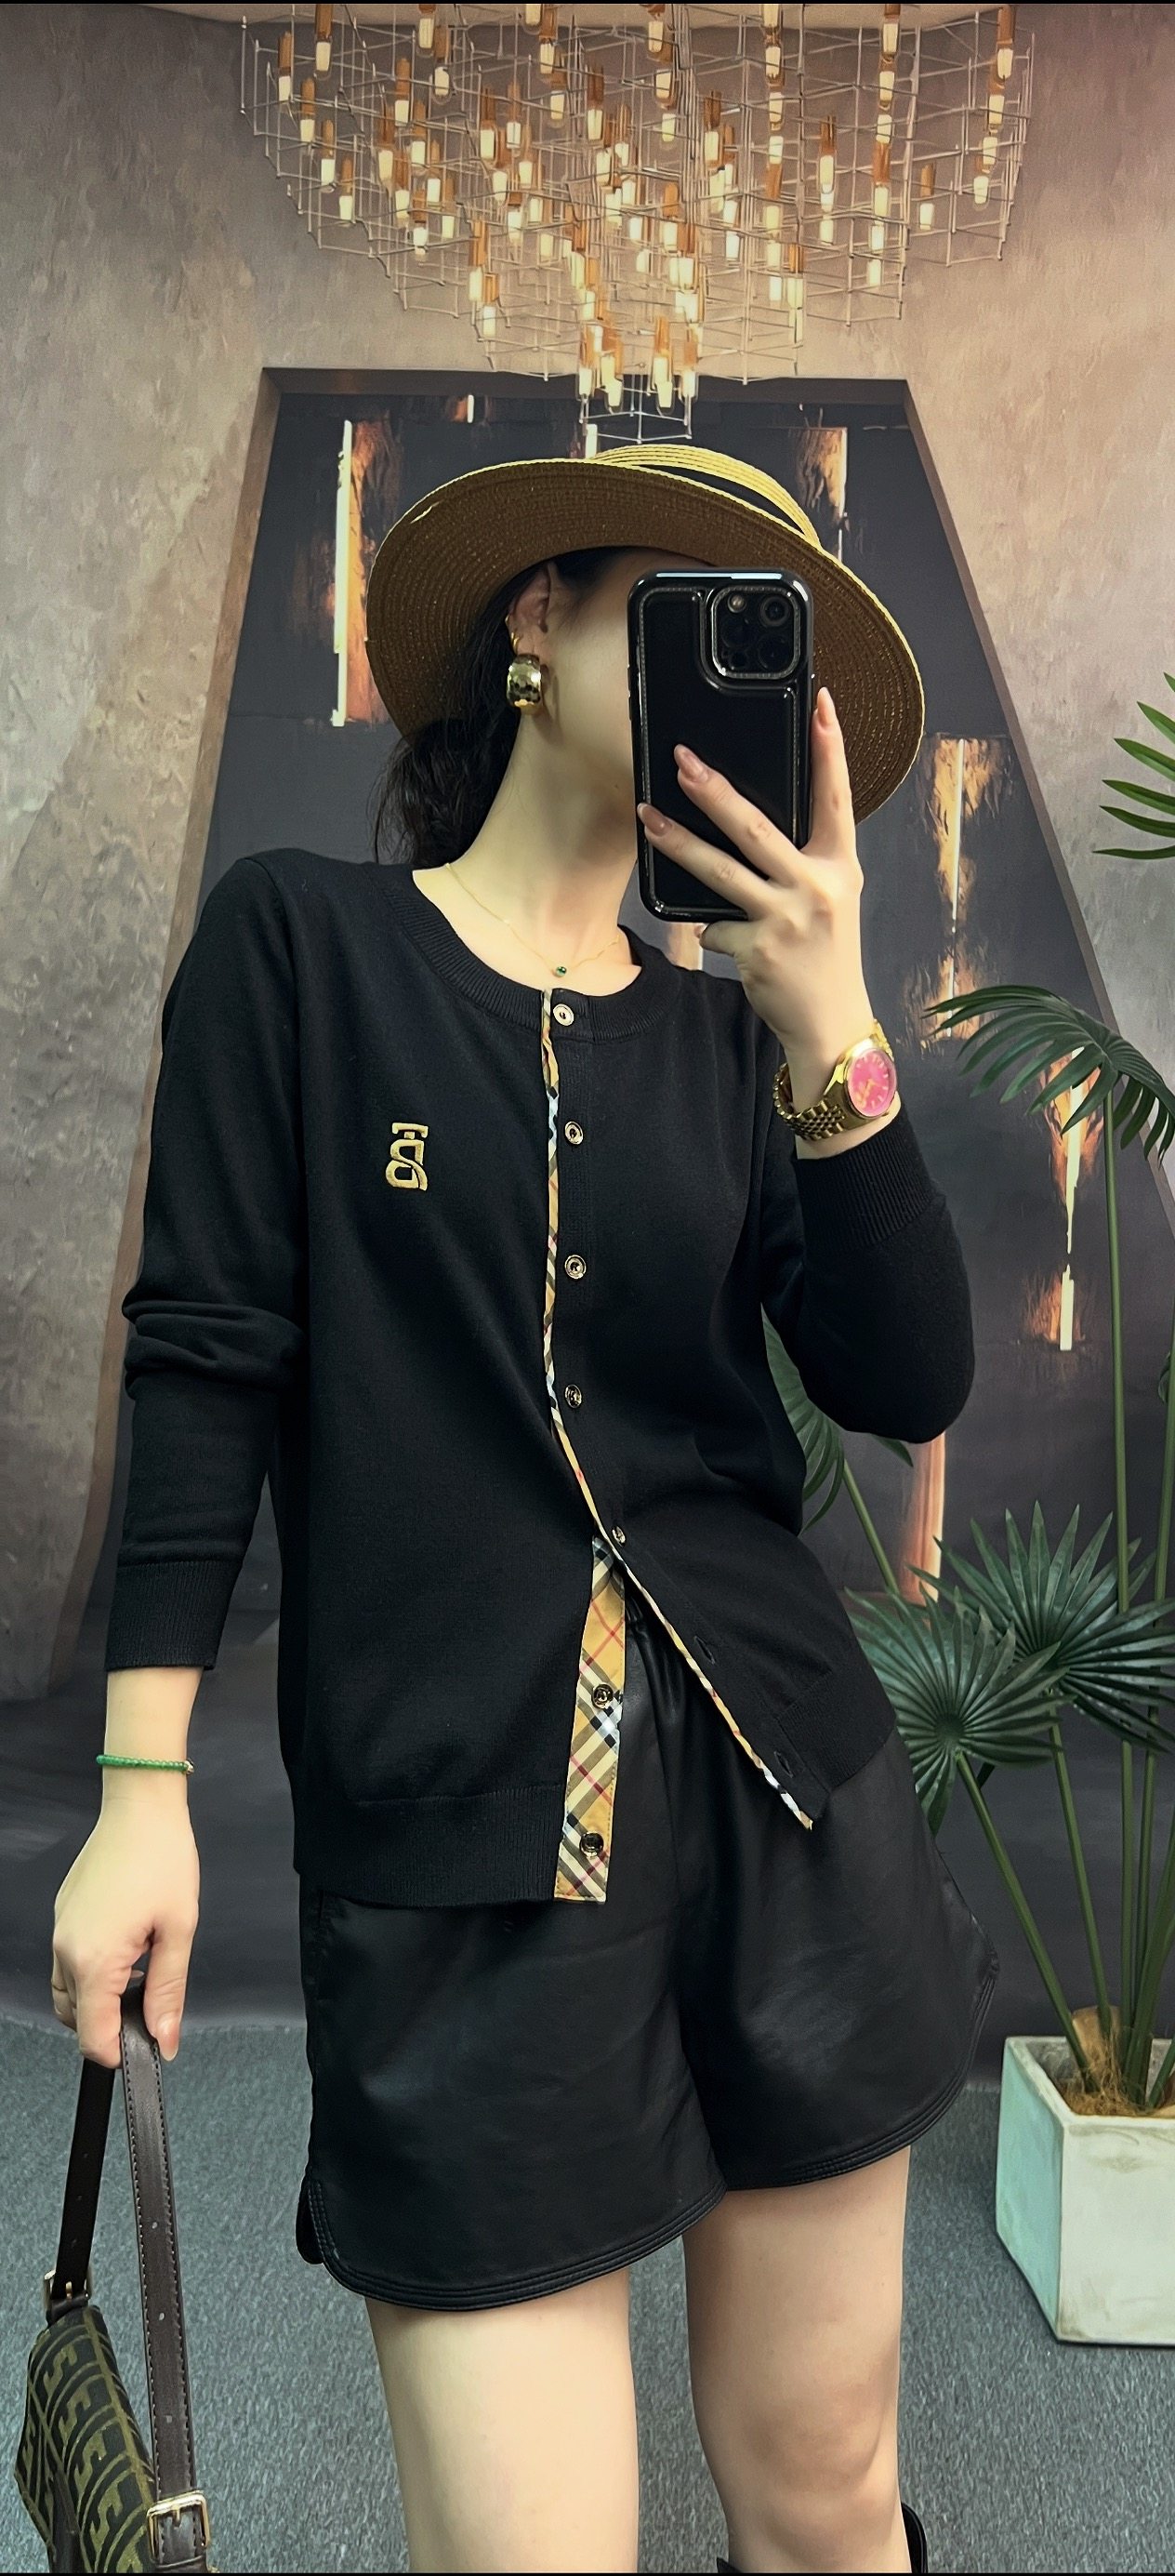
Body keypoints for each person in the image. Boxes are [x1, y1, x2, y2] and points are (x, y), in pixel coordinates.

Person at [51, 442, 997, 2576]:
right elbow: (206, 1358)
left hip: (785, 1810)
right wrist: (140, 1788)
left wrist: (831, 1028)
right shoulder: (301, 951)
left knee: (823, 2495)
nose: (718, 676)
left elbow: (905, 1375)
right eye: (677, 608)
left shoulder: (736, 1044)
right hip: (463, 1857)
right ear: (536, 619)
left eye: (762, 649)